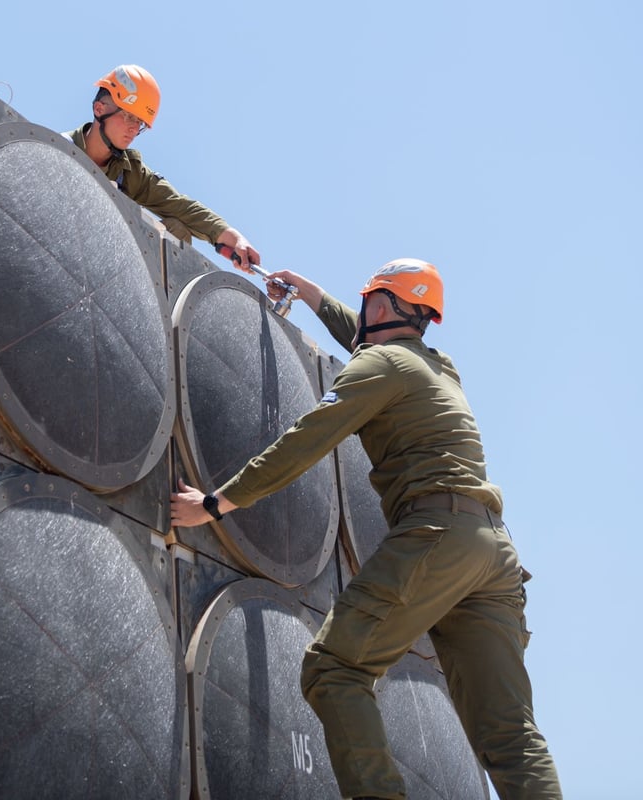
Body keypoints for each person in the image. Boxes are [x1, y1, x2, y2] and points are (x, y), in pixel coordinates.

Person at [170, 260, 562, 800]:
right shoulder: (439, 366)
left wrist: (217, 503)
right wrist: (311, 296)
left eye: (367, 301)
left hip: (437, 534)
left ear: (378, 304)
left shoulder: (379, 367)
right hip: (493, 554)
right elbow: (370, 344)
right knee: (510, 733)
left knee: (335, 669)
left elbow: (306, 440)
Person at [64, 65, 261, 270]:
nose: (133, 128)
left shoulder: (129, 172)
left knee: (175, 230)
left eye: (140, 122)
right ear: (99, 109)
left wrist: (233, 237)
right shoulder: (56, 152)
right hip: (62, 254)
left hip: (107, 270)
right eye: (129, 116)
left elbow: (180, 206)